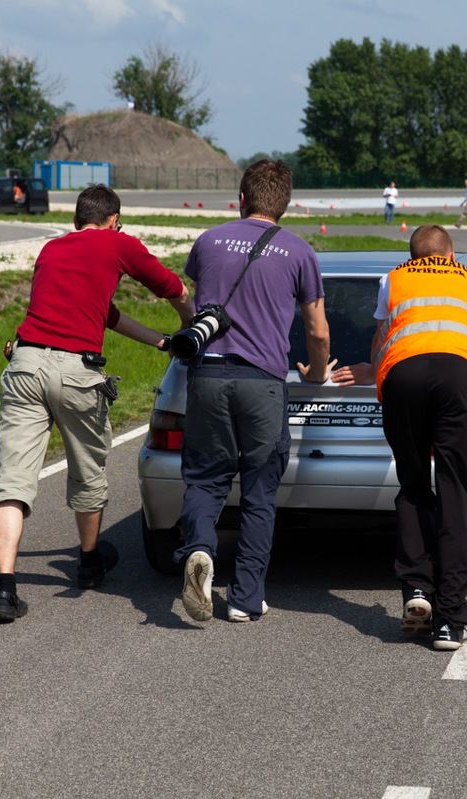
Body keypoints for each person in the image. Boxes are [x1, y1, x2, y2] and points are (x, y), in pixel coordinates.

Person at [0, 184, 195, 622]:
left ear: (77, 219)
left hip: (24, 362)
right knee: (88, 469)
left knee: (13, 480)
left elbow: (104, 314)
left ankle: (4, 590)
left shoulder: (52, 250)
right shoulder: (119, 243)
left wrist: (160, 343)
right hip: (75, 373)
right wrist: (188, 325)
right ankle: (88, 562)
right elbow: (172, 286)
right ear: (114, 218)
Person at [176, 159, 332, 625]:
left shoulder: (208, 241)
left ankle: (201, 549)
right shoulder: (299, 252)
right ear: (285, 204)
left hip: (207, 374)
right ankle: (245, 597)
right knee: (260, 489)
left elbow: (192, 306)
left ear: (240, 198)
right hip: (262, 381)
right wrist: (317, 373)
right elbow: (317, 330)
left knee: (204, 478)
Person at [332, 224, 467, 651]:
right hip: (457, 379)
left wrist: (373, 369)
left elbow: (381, 338)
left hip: (404, 377)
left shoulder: (394, 278)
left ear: (413, 253)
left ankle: (417, 590)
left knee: (414, 484)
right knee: (456, 492)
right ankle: (451, 620)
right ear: (451, 255)